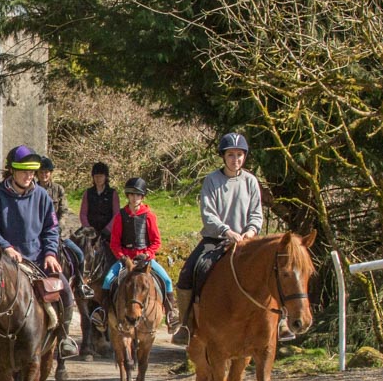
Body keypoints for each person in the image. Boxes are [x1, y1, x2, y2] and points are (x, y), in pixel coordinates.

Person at [0, 144, 78, 356]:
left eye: (32, 172)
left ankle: (63, 337)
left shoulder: (42, 196)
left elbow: (51, 229)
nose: (29, 176)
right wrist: (6, 248)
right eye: (25, 171)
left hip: (37, 259)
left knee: (65, 290)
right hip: (7, 262)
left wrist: (51, 253)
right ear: (12, 171)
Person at [174, 132, 264, 342]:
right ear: (223, 156)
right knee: (187, 273)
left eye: (240, 155)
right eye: (231, 155)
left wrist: (249, 232)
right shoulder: (212, 180)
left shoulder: (251, 181)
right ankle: (185, 324)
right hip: (216, 240)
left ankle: (279, 322)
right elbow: (208, 213)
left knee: (272, 268)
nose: (236, 159)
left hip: (246, 239)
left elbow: (256, 213)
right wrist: (227, 231)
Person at [93, 178, 176, 330]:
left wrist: (148, 254)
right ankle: (103, 314)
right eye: (131, 194)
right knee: (107, 280)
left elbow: (156, 241)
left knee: (167, 280)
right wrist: (122, 257)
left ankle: (171, 314)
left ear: (142, 196)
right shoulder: (120, 216)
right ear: (127, 196)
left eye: (137, 195)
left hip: (145, 259)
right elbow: (115, 243)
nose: (134, 198)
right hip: (126, 259)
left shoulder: (149, 216)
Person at [77, 162, 119, 244]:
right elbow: (83, 213)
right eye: (96, 176)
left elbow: (116, 214)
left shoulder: (113, 193)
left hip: (107, 231)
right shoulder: (88, 193)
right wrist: (87, 227)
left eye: (101, 176)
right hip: (90, 230)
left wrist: (108, 229)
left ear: (105, 177)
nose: (98, 179)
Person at [36, 155, 67, 221]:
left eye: (46, 172)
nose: (43, 175)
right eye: (41, 172)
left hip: (54, 224)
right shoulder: (32, 189)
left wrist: (60, 226)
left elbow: (64, 210)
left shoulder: (58, 189)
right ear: (37, 174)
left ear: (50, 173)